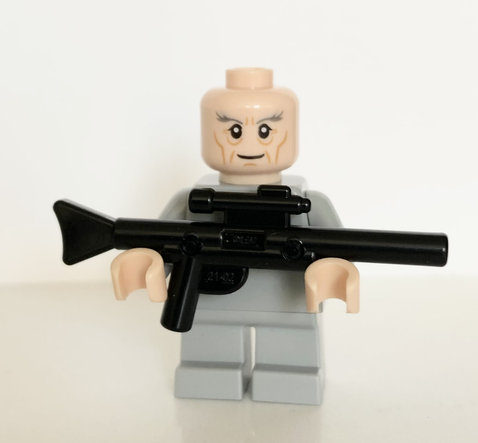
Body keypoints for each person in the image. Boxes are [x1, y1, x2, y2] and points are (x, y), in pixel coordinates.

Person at [111, 68, 359, 405]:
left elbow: (342, 248)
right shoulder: (192, 200)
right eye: (235, 131)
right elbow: (156, 242)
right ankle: (209, 371)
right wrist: (148, 262)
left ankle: (290, 377)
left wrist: (329, 269)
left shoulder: (308, 202)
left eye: (266, 131)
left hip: (286, 303)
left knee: (288, 359)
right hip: (209, 300)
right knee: (210, 354)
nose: (250, 145)